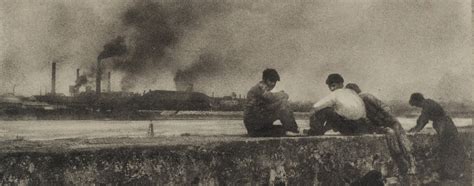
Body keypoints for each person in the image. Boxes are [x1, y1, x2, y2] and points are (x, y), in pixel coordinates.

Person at [345, 83, 416, 177]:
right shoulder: (361, 100)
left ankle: (409, 165)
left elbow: (382, 109)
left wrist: (388, 121)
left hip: (388, 121)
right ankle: (406, 165)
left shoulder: (365, 97)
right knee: (395, 140)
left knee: (399, 141)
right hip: (384, 123)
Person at [408, 93, 466, 180]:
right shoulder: (428, 103)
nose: (417, 107)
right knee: (449, 149)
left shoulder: (427, 106)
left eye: (416, 105)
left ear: (418, 101)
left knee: (448, 149)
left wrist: (415, 130)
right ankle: (451, 173)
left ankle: (451, 174)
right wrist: (414, 128)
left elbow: (423, 120)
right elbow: (421, 118)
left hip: (445, 127)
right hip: (447, 125)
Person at [307, 74, 374, 135]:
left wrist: (312, 121)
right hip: (360, 127)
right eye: (329, 87)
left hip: (348, 128)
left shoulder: (335, 93)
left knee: (325, 111)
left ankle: (315, 132)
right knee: (335, 112)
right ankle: (321, 130)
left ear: (341, 84)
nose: (331, 89)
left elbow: (315, 107)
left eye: (333, 86)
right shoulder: (353, 93)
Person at [243, 69, 299, 137]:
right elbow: (269, 97)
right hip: (255, 126)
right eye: (271, 81)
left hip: (257, 126)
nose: (273, 84)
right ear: (264, 80)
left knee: (282, 130)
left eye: (275, 81)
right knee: (283, 104)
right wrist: (283, 94)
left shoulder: (262, 87)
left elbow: (268, 104)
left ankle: (291, 130)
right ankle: (293, 130)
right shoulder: (260, 87)